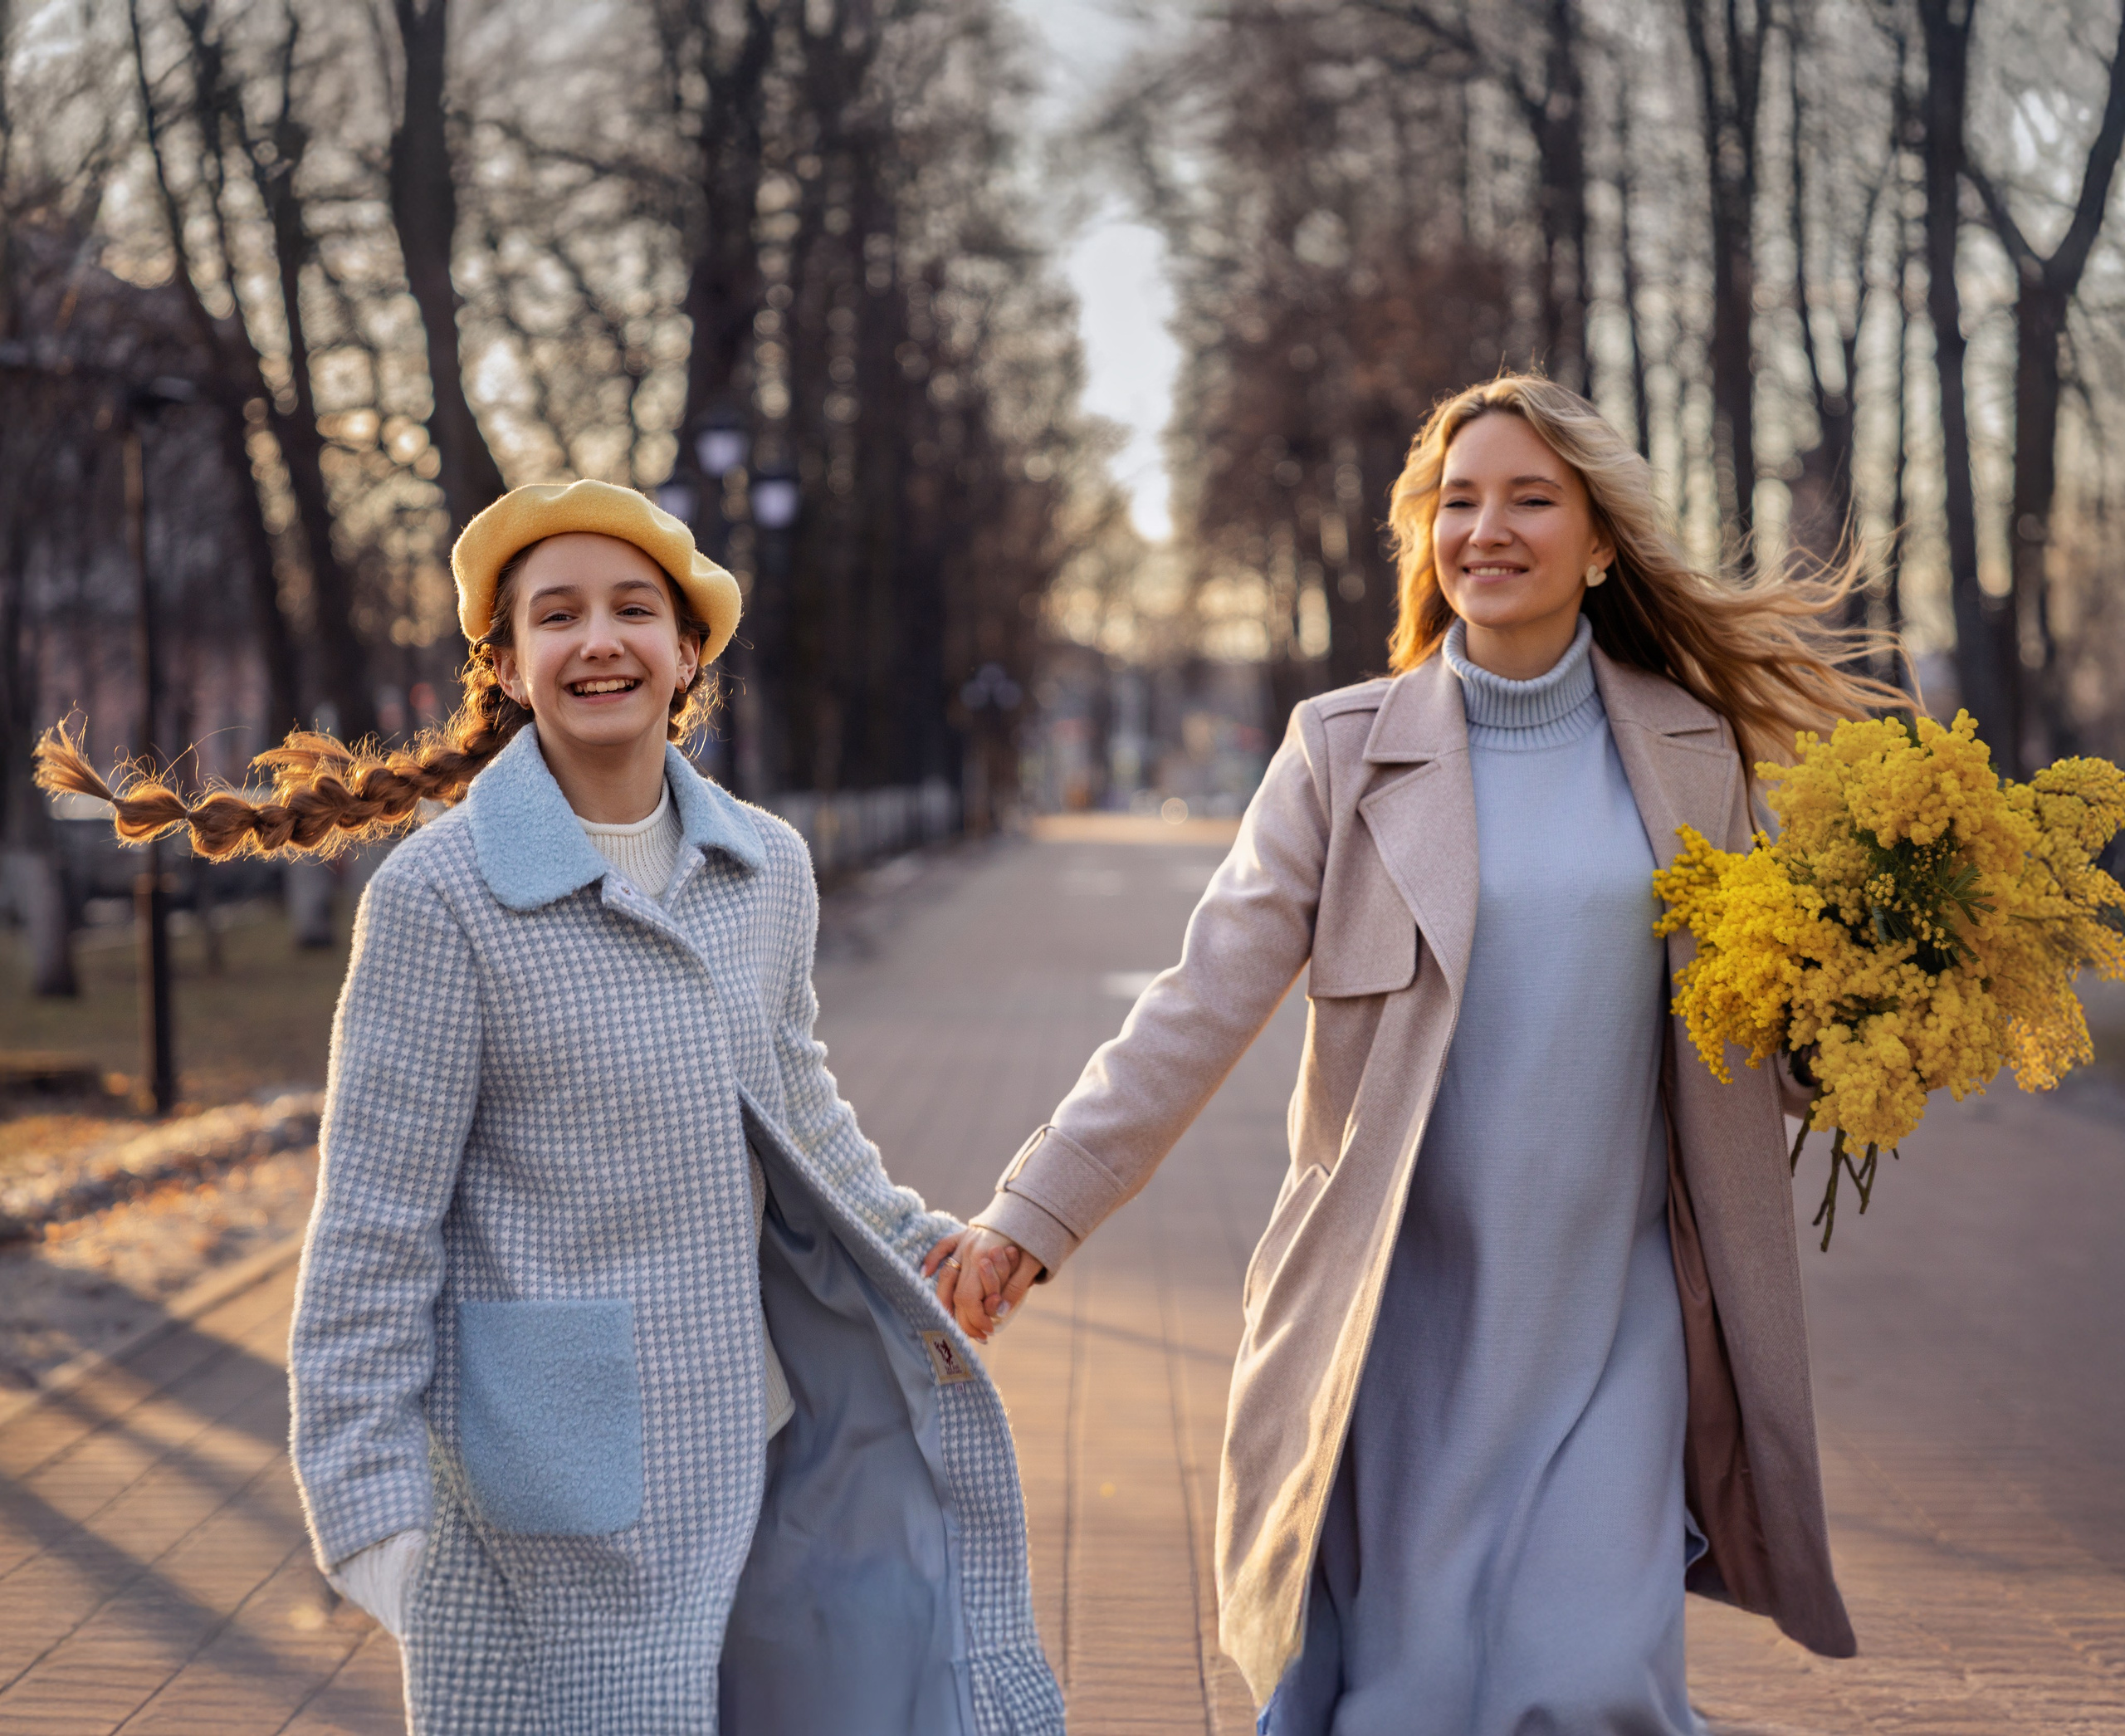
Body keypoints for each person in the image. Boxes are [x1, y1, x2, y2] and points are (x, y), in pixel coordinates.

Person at [937, 376, 1904, 1734]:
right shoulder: (1341, 753)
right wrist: (1033, 1218)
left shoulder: (1695, 754)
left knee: (1589, 1688)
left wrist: (1902, 1001)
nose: (1486, 530)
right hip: (1403, 1327)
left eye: (1529, 499)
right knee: (1411, 1700)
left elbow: (1770, 1042)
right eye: (1458, 502)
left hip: (1618, 1321)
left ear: (1603, 542)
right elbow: (1198, 1005)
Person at [37, 480, 1063, 1736]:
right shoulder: (442, 899)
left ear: (687, 652)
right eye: (558, 614)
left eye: (635, 610)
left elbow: (797, 1104)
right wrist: (370, 1507)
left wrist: (920, 1245)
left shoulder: (766, 868)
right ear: (511, 666)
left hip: (755, 1454)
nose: (599, 641)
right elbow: (375, 1220)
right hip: (543, 1508)